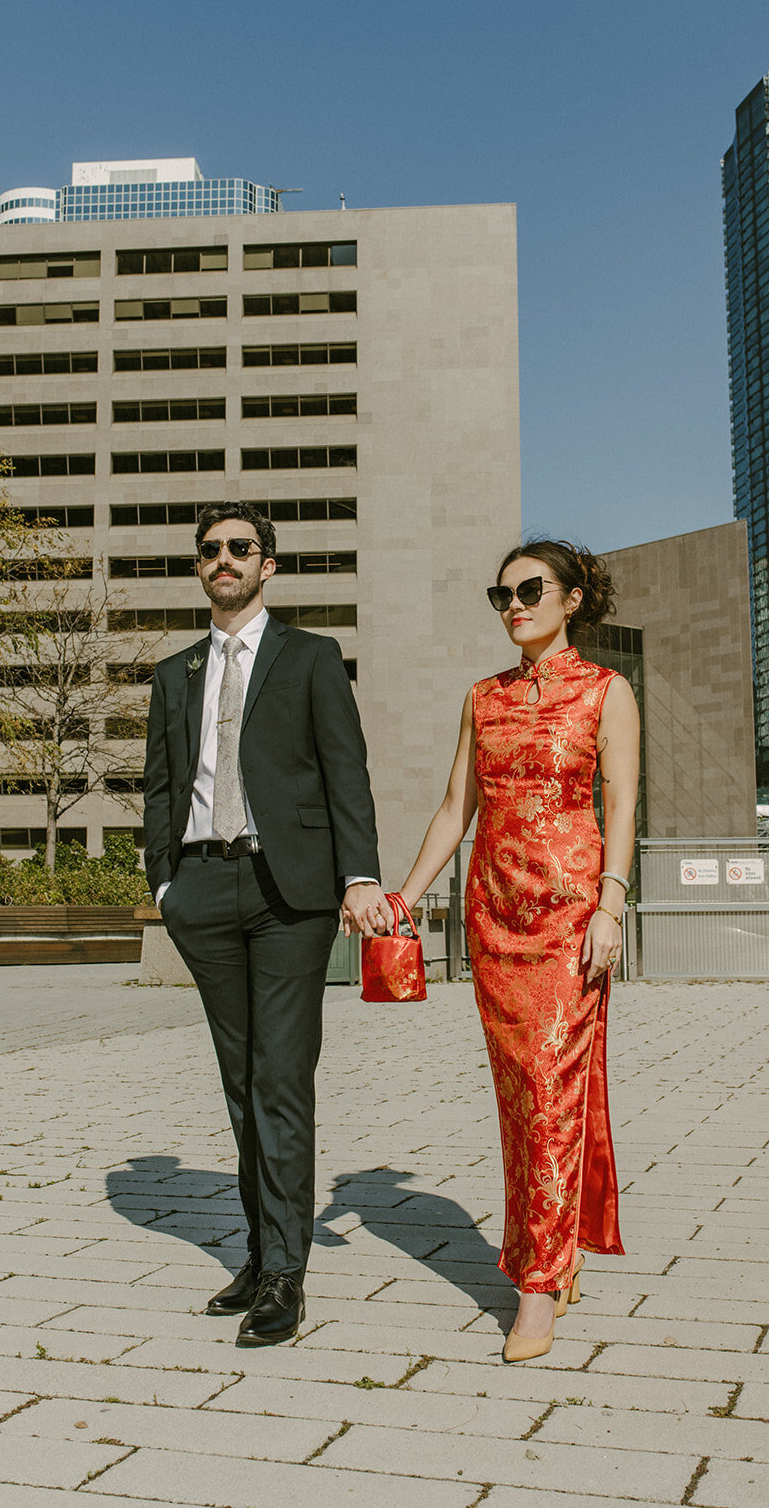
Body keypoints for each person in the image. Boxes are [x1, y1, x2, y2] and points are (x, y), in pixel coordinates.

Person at [143, 502, 390, 1347]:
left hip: (292, 896)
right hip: (203, 891)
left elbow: (344, 772)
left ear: (267, 565)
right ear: (200, 566)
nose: (224, 559)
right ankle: (260, 1250)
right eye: (210, 550)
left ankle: (285, 1275)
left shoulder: (311, 658)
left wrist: (360, 875)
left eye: (239, 548)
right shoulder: (173, 673)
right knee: (241, 1082)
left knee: (281, 1080)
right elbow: (159, 787)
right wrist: (165, 883)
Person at [389, 539, 639, 1362]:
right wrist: (406, 892)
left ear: (572, 599)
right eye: (499, 594)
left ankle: (537, 1279)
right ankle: (552, 1252)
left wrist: (610, 903)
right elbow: (455, 806)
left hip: (569, 915)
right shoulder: (481, 697)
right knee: (520, 1100)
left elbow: (621, 804)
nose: (512, 605)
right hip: (493, 918)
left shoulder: (606, 691)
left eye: (529, 589)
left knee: (552, 1087)